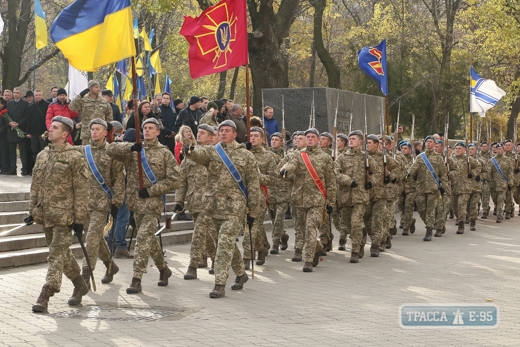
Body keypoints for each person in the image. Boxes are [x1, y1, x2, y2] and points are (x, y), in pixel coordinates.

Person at [184, 120, 263, 298]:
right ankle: (241, 274)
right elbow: (199, 154)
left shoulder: (246, 155)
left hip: (235, 207)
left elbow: (253, 184)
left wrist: (253, 210)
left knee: (225, 242)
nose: (224, 133)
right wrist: (190, 151)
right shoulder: (212, 151)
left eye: (228, 130)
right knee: (225, 243)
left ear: (235, 134)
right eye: (221, 131)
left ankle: (219, 283)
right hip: (214, 206)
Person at [107, 118, 180, 294]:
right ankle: (163, 269)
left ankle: (137, 278)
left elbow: (174, 180)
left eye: (151, 128)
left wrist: (152, 190)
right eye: (145, 128)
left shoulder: (165, 153)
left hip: (153, 203)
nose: (147, 131)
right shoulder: (134, 150)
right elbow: (110, 149)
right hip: (135, 203)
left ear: (158, 132)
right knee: (149, 239)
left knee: (141, 240)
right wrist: (130, 147)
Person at [30, 116, 90, 312]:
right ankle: (80, 284)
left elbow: (82, 191)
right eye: (50, 126)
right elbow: (35, 186)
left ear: (65, 134)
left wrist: (80, 219)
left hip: (65, 216)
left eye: (55, 128)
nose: (50, 130)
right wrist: (33, 210)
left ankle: (46, 294)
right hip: (46, 214)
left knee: (55, 255)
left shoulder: (75, 157)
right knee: (62, 254)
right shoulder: (42, 155)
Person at [74, 119, 125, 289]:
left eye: (98, 129)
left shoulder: (112, 152)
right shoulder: (82, 151)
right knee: (95, 238)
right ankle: (111, 266)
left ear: (105, 132)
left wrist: (117, 201)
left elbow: (118, 178)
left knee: (91, 238)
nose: (94, 132)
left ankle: (85, 276)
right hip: (83, 203)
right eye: (92, 129)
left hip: (102, 203)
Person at [280, 128, 337, 272]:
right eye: (308, 137)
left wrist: (331, 201)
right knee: (303, 231)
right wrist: (285, 169)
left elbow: (331, 181)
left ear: (318, 140)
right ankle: (317, 248)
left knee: (311, 229)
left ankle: (308, 260)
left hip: (317, 200)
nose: (310, 139)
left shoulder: (325, 158)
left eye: (313, 137)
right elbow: (291, 164)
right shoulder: (299, 155)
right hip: (299, 199)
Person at [335, 130, 380, 262]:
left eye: (354, 139)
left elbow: (377, 172)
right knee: (348, 226)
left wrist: (371, 182)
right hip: (345, 197)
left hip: (360, 197)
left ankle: (355, 251)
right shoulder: (342, 157)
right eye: (350, 139)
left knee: (356, 222)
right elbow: (335, 172)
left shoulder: (366, 157)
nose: (351, 141)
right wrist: (348, 181)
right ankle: (359, 240)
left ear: (361, 141)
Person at [179, 124, 214, 280]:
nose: (199, 135)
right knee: (205, 234)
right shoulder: (190, 153)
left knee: (200, 232)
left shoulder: (216, 154)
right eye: (198, 132)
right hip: (194, 200)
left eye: (203, 133)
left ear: (211, 137)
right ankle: (214, 258)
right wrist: (179, 200)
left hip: (210, 201)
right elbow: (183, 180)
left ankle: (192, 266)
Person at [242, 127, 276, 268]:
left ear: (262, 140)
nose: (253, 138)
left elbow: (273, 178)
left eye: (256, 136)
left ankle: (247, 257)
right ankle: (261, 248)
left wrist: (256, 177)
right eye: (251, 135)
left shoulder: (268, 157)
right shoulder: (242, 153)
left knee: (251, 227)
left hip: (259, 196)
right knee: (255, 226)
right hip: (242, 195)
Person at [408, 136, 448, 241]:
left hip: (433, 188)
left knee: (430, 210)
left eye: (430, 142)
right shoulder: (420, 157)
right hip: (421, 187)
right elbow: (412, 172)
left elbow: (443, 174)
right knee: (421, 210)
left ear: (435, 144)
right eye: (427, 142)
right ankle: (431, 223)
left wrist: (444, 187)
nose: (428, 144)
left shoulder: (439, 158)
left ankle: (429, 231)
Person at [70, 80, 113, 144]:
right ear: (90, 88)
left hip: (100, 134)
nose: (98, 89)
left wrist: (106, 129)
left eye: (99, 87)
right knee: (87, 152)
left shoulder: (103, 101)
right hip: (87, 134)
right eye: (96, 87)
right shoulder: (83, 99)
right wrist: (80, 96)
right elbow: (72, 107)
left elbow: (109, 115)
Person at [450, 142, 480, 234]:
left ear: (464, 150)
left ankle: (461, 225)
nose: (457, 150)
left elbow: (478, 166)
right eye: (456, 148)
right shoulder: (450, 159)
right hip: (453, 186)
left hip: (465, 187)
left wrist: (473, 173)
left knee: (461, 205)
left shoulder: (468, 159)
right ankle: (460, 218)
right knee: (454, 206)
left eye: (459, 148)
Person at [269, 132, 291, 254]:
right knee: (274, 219)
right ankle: (283, 236)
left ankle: (275, 243)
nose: (273, 141)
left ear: (282, 142)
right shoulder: (267, 154)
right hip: (271, 191)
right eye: (272, 139)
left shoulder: (287, 155)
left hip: (283, 191)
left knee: (279, 217)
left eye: (276, 139)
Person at [6, 87, 30, 175]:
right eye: (14, 92)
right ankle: (13, 169)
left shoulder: (25, 104)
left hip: (21, 129)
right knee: (12, 151)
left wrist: (18, 124)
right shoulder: (9, 104)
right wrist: (10, 122)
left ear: (20, 94)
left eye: (17, 93)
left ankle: (24, 169)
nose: (16, 94)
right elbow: (6, 115)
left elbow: (26, 116)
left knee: (22, 151)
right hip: (11, 130)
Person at [487, 143, 513, 223]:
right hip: (493, 185)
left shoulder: (507, 160)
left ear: (503, 149)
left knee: (500, 200)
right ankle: (500, 212)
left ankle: (499, 216)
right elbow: (488, 172)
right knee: (496, 200)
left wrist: (510, 183)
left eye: (500, 149)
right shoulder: (491, 161)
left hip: (503, 185)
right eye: (497, 149)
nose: (499, 150)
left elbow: (510, 172)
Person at [398, 141, 417, 236]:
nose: (403, 150)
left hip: (411, 187)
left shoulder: (415, 160)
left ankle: (406, 226)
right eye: (402, 148)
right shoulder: (398, 159)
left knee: (408, 206)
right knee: (401, 205)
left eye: (405, 148)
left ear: (410, 149)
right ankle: (409, 220)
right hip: (401, 187)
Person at [27, 89, 49, 163]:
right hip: (34, 133)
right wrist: (28, 132)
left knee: (44, 151)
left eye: (39, 95)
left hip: (44, 132)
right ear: (34, 96)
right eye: (36, 95)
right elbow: (29, 120)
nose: (38, 96)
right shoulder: (32, 107)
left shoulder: (47, 105)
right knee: (35, 151)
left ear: (42, 95)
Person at [0, 97, 12, 174]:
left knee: (4, 152)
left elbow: (7, 123)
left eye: (1, 103)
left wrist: (1, 130)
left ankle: (5, 168)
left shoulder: (5, 112)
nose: (0, 105)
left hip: (3, 135)